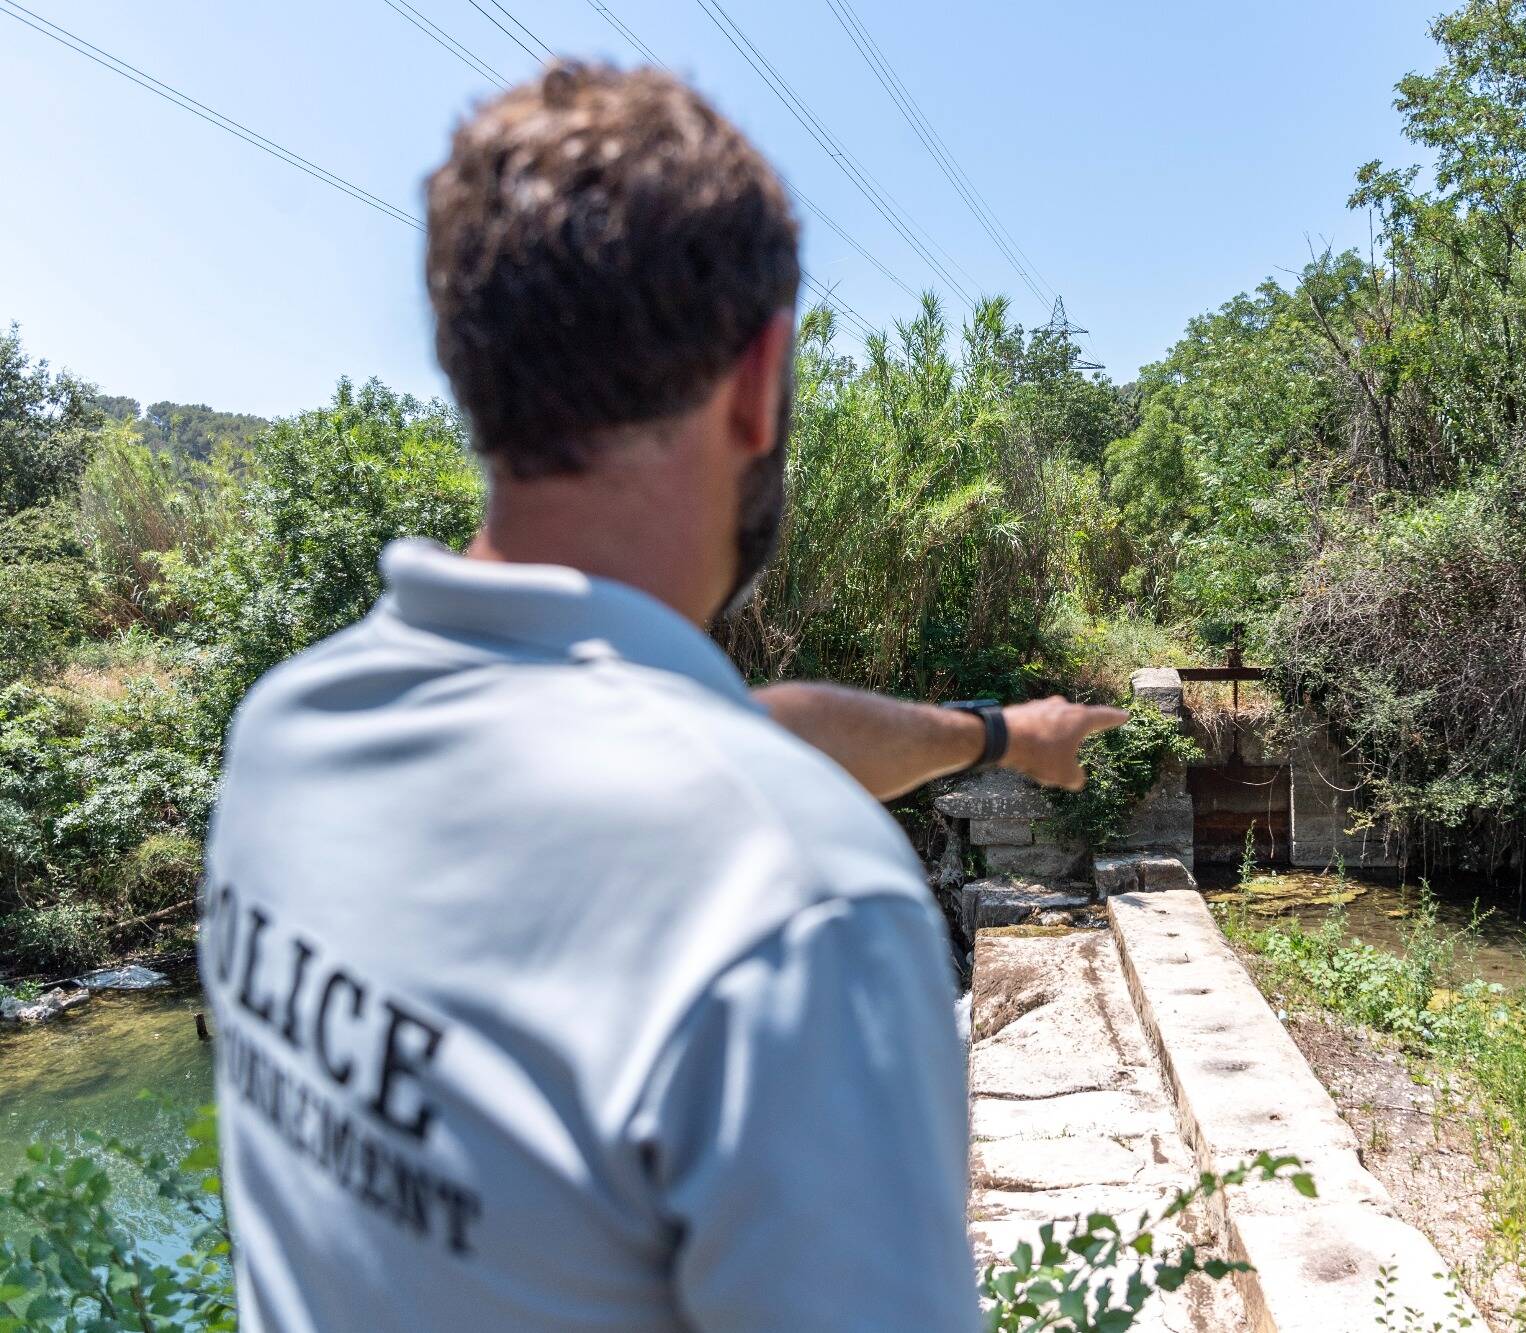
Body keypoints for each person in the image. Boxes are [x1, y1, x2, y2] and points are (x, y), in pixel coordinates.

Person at [197, 61, 1125, 1331]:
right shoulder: (798, 914)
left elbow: (752, 743)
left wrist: (1003, 738)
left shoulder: (294, 730)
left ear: (471, 363)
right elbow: (733, 792)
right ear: (757, 379)